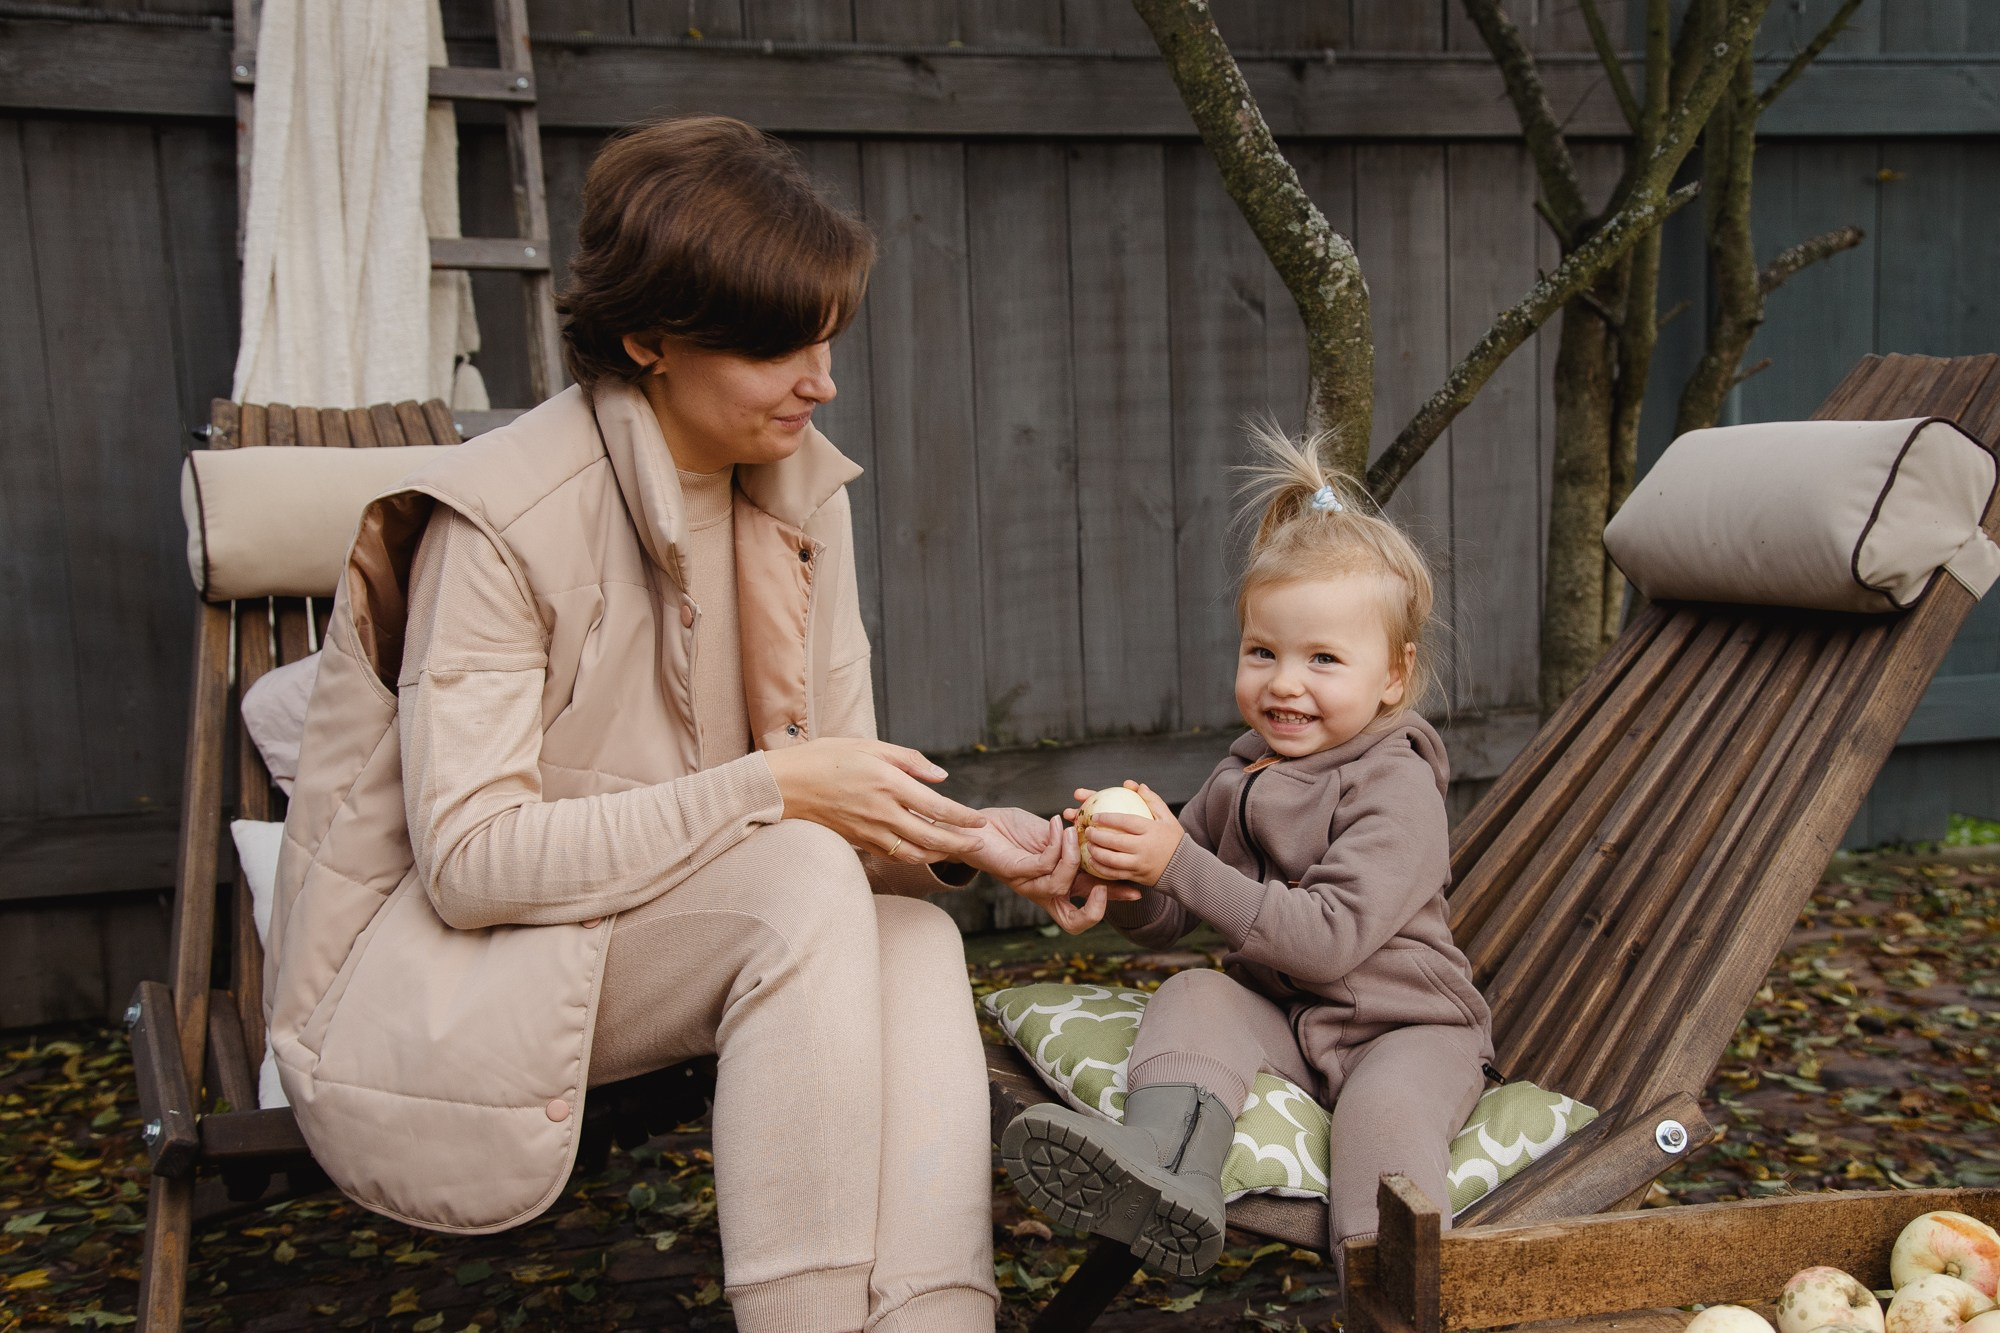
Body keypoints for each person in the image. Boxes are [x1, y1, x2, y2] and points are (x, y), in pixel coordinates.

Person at [267, 115, 1085, 1333]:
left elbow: (826, 799)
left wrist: (966, 840)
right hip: (437, 973)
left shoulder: (801, 490)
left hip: (663, 923)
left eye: (823, 339)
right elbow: (471, 862)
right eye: (774, 350)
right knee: (803, 873)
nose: (822, 380)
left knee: (910, 932)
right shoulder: (496, 521)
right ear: (646, 340)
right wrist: (775, 790)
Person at [999, 425, 1496, 1277]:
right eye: (1262, 651)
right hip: (1295, 1025)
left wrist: (1175, 862)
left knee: (1379, 1122)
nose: (1284, 682)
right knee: (1195, 990)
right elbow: (1173, 916)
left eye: (1323, 659)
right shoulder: (1246, 768)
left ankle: (1396, 1297)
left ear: (1392, 676)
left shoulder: (1396, 783)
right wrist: (1124, 873)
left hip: (1407, 1032)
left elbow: (1326, 936)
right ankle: (1163, 1169)